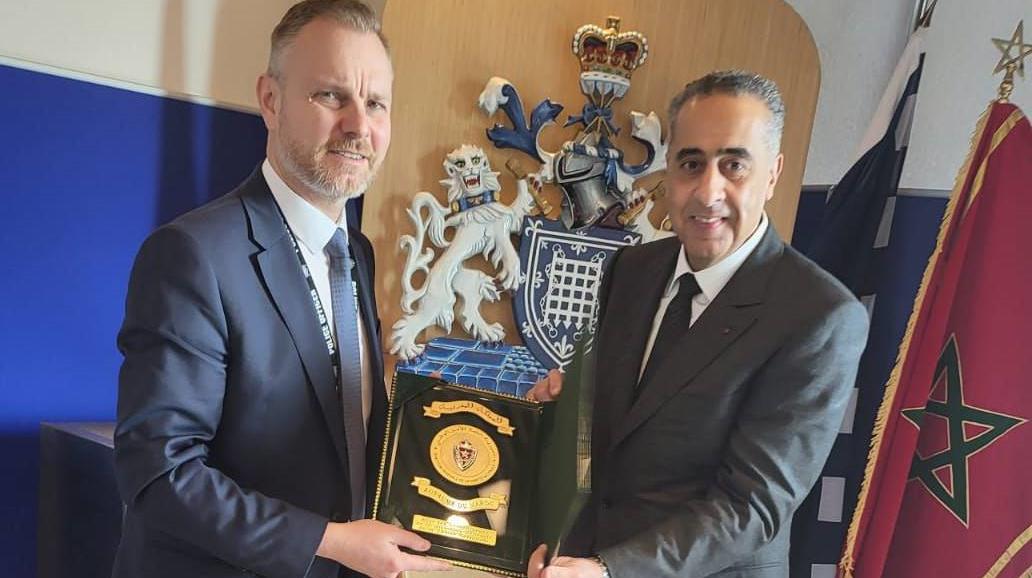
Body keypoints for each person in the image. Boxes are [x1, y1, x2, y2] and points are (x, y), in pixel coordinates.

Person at [112, 2, 451, 577]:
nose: (358, 126)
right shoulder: (192, 255)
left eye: (375, 103)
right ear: (270, 100)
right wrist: (331, 541)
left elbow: (337, 436)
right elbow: (161, 474)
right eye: (331, 96)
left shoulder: (356, 253)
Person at [525, 70, 870, 578]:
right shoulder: (633, 268)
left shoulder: (820, 316)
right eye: (691, 164)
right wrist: (560, 412)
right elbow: (619, 436)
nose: (709, 192)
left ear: (772, 174)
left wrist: (609, 571)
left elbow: (751, 507)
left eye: (734, 165)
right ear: (669, 169)